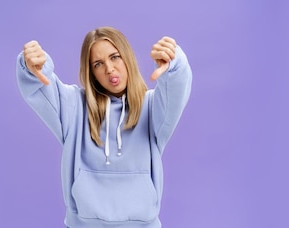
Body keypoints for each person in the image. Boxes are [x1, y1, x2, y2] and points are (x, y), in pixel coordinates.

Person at [16, 26, 192, 227]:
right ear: (92, 73)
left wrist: (174, 64)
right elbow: (39, 84)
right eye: (98, 64)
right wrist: (31, 66)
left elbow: (176, 90)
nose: (109, 69)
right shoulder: (75, 107)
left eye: (115, 57)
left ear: (127, 57)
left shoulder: (152, 108)